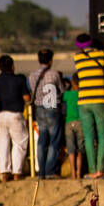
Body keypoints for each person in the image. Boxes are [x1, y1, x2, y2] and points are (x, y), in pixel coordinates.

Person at [73, 33, 104, 177]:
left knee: (88, 137)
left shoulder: (77, 58)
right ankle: (101, 169)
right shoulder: (102, 54)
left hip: (83, 100)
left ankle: (92, 170)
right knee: (102, 134)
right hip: (100, 99)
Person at [0, 55, 30, 181]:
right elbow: (27, 98)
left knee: (2, 144)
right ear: (12, 66)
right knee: (20, 142)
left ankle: (4, 173)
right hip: (15, 114)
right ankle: (17, 172)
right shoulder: (19, 80)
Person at [29, 48, 65, 178]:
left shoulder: (32, 75)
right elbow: (61, 90)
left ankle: (41, 171)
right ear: (50, 60)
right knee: (54, 140)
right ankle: (50, 170)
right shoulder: (54, 74)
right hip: (52, 107)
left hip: (39, 108)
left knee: (42, 140)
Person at [62, 76, 86, 178]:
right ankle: (79, 173)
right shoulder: (82, 94)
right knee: (80, 150)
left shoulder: (68, 94)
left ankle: (73, 173)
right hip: (80, 122)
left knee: (71, 150)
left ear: (72, 82)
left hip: (69, 122)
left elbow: (62, 98)